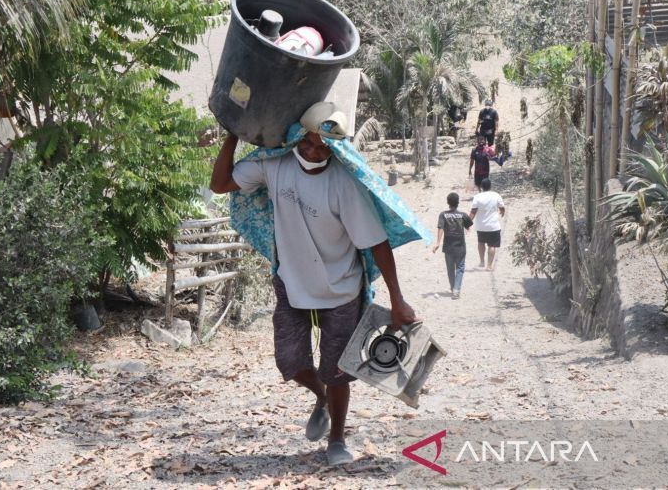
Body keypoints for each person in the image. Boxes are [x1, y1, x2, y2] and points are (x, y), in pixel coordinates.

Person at [209, 102, 421, 466]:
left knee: (338, 369)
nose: (314, 152)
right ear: (296, 139)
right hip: (291, 281)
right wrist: (233, 134)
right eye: (308, 143)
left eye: (323, 146)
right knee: (289, 361)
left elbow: (377, 244)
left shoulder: (343, 185)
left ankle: (336, 439)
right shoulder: (274, 167)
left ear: (335, 148)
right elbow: (220, 183)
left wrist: (398, 299)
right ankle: (320, 396)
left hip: (340, 288)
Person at [432, 192, 473, 299]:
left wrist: (437, 243)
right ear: (458, 203)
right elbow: (469, 225)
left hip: (448, 246)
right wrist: (467, 229)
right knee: (460, 268)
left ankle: (453, 287)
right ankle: (456, 290)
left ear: (448, 203)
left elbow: (440, 228)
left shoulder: (443, 215)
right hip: (460, 246)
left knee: (450, 268)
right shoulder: (463, 215)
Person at [469, 178, 505, 271]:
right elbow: (502, 207)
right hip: (493, 226)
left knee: (481, 243)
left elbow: (473, 211)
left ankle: (481, 261)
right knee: (492, 246)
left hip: (481, 226)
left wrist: (467, 222)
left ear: (481, 187)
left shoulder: (477, 197)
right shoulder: (496, 195)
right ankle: (489, 266)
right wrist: (502, 212)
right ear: (490, 186)